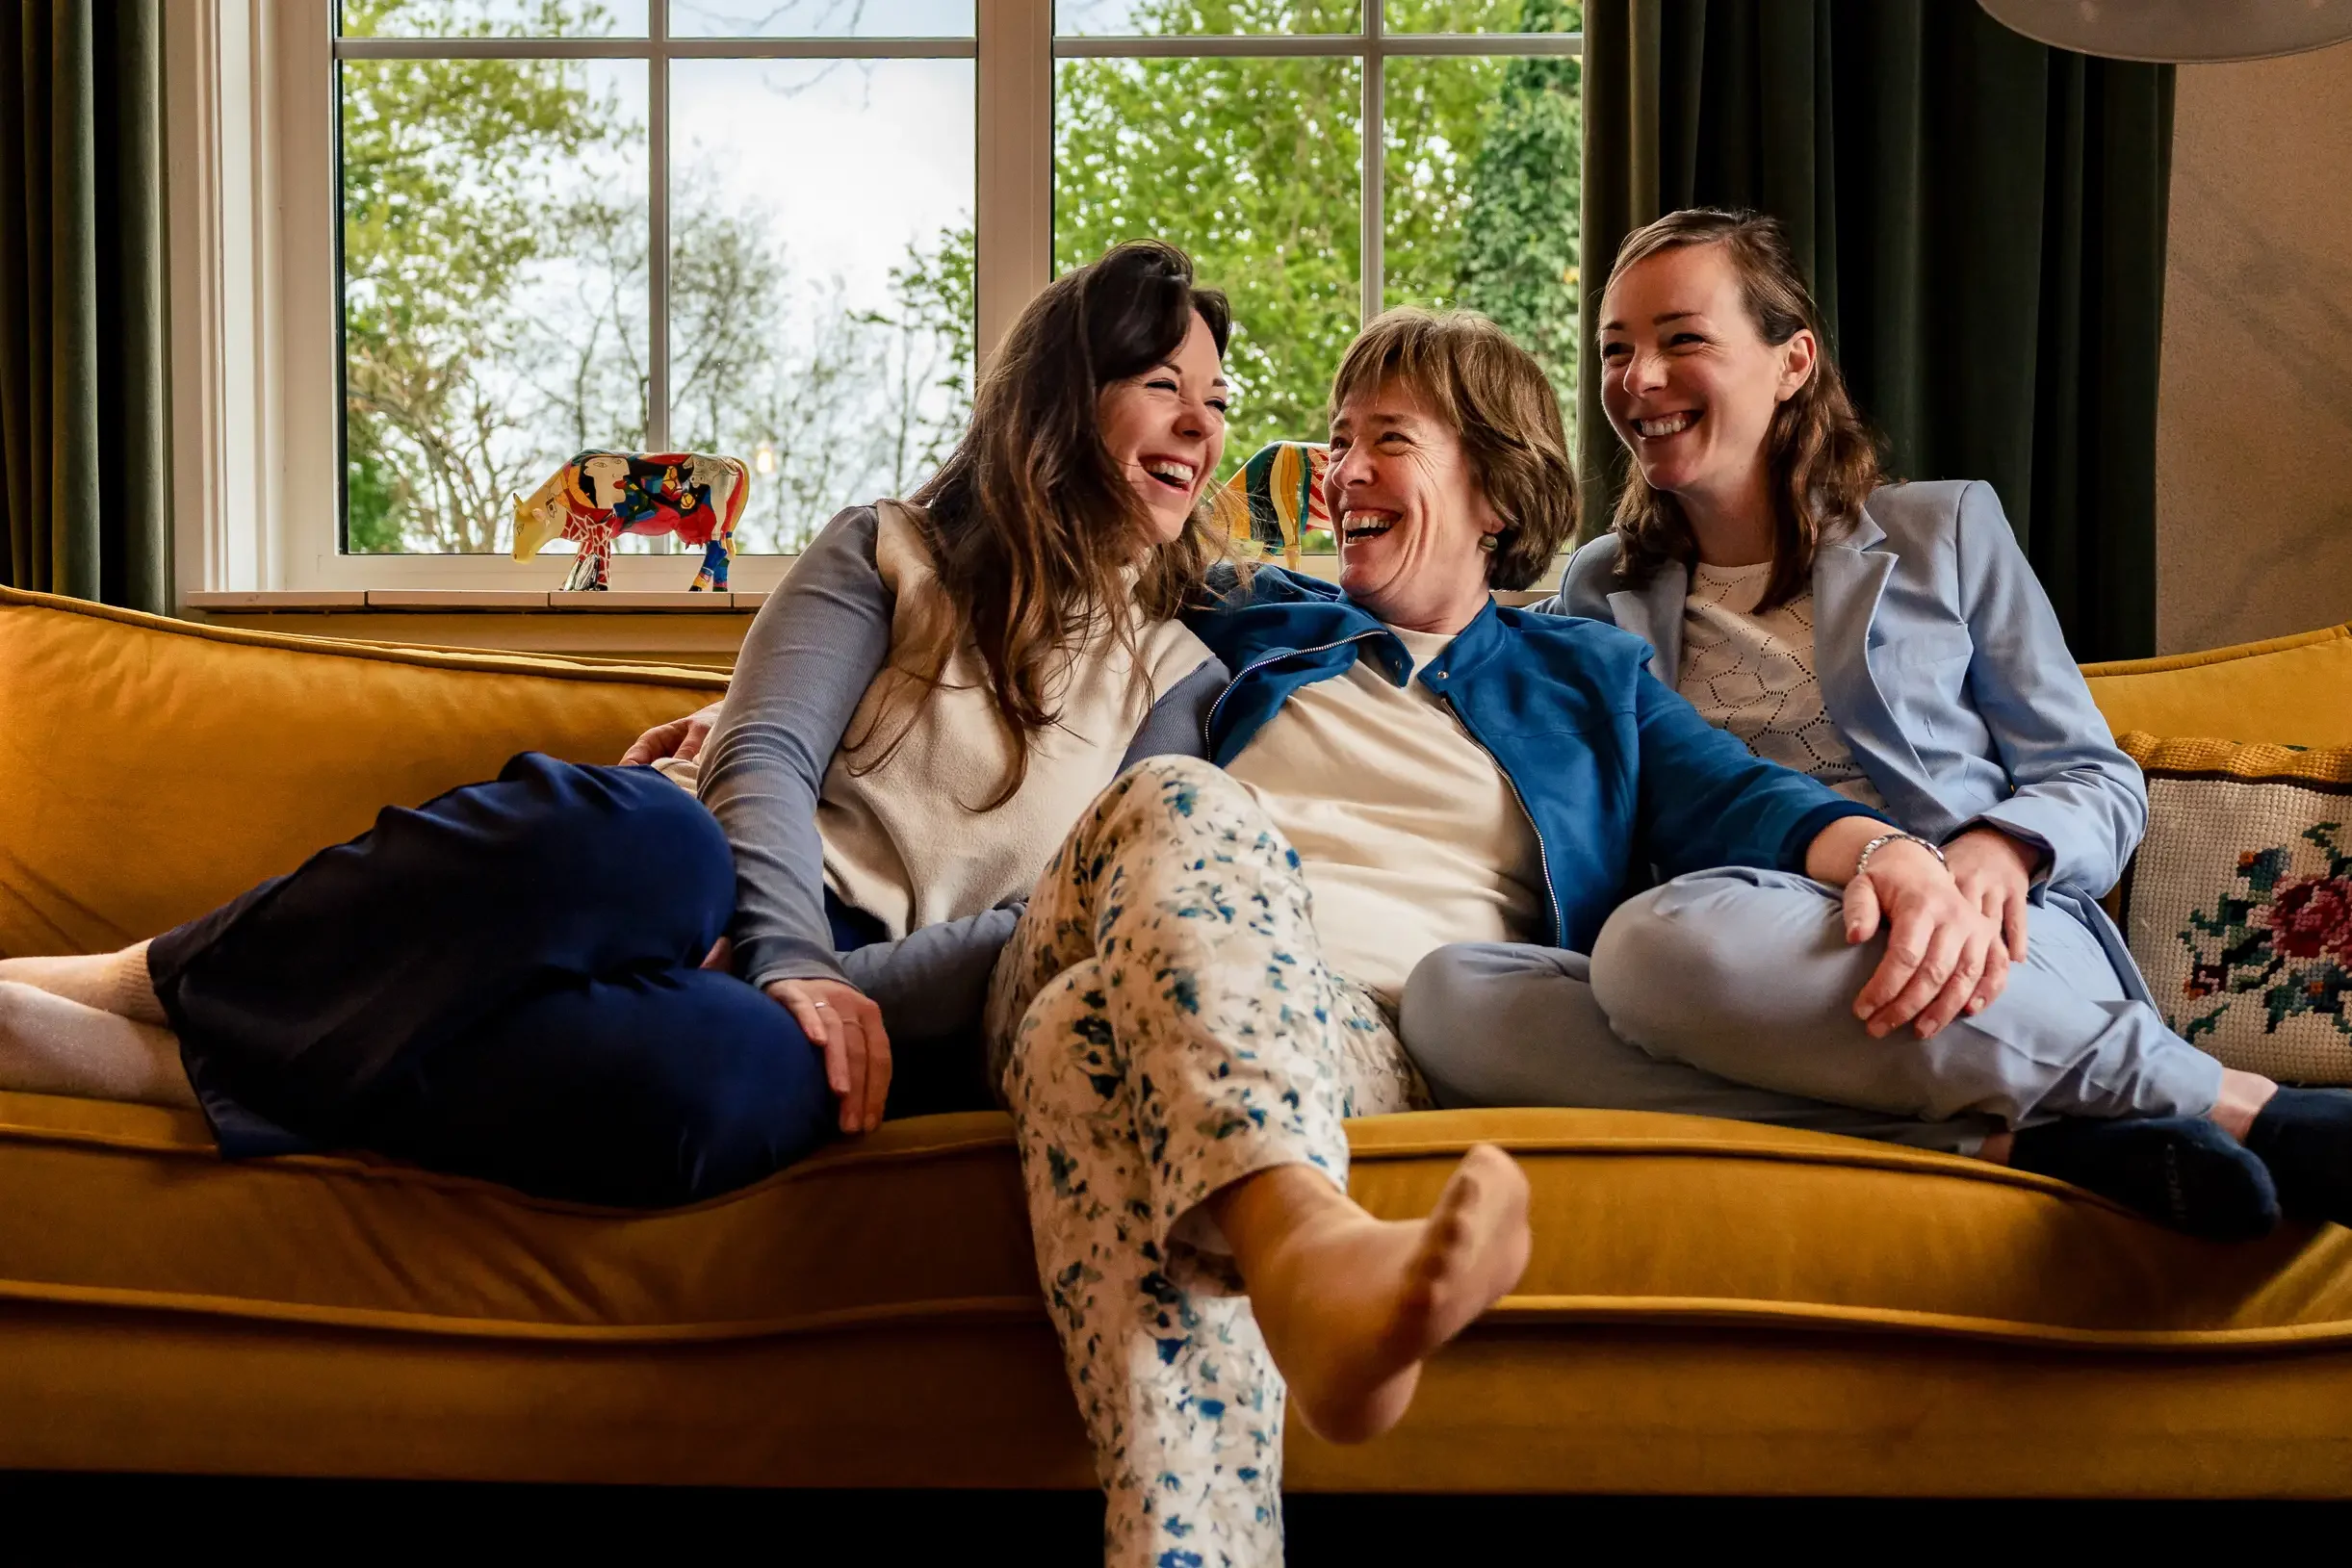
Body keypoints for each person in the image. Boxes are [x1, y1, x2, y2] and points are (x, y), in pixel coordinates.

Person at [984, 306, 2043, 1567]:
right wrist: (740, 736)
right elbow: (1006, 638)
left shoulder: (1581, 677)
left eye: (1387, 438)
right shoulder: (1235, 626)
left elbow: (1746, 799)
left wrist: (1892, 857)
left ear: (1490, 487)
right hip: (1105, 919)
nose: (1339, 471)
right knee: (1178, 799)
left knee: (1075, 1044)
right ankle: (1311, 1254)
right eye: (1335, 440)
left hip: (1355, 1049)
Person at [0, 239, 1237, 1208]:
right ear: (1063, 403)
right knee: (652, 845)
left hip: (863, 1002)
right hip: (702, 879)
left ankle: (158, 1068)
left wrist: (807, 991)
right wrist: (779, 943)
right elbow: (762, 752)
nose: (1201, 423)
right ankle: (138, 981)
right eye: (1161, 385)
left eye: (1219, 399)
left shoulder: (1182, 669)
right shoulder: (888, 547)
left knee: (719, 1086)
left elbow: (1078, 910)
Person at [1403, 207, 2352, 1237]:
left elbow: (2095, 776)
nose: (1636, 379)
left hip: (1967, 938)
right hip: (1734, 960)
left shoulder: (1940, 531)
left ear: (1791, 361)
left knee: (1653, 949)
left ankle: (2240, 1108)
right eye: (1615, 350)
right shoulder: (1600, 585)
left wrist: (1999, 850)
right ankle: (2021, 1144)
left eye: (1681, 339)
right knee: (1455, 996)